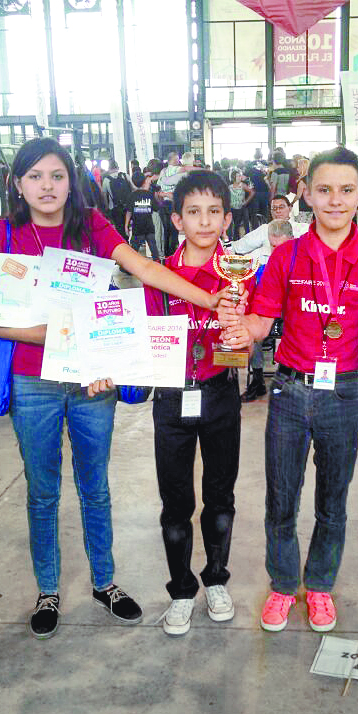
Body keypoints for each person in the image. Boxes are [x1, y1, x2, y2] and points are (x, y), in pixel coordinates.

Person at [0, 138, 232, 640]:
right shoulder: (5, 235)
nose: (47, 186)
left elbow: (146, 269)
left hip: (94, 380)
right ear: (18, 184)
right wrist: (60, 334)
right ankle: (48, 590)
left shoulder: (91, 225)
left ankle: (105, 583)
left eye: (56, 175)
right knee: (42, 492)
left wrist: (210, 299)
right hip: (34, 381)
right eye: (35, 176)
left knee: (95, 488)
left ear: (71, 181)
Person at [219, 147, 358, 634]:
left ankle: (318, 586)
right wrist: (242, 329)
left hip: (344, 396)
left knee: (333, 502)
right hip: (290, 392)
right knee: (281, 500)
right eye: (325, 190)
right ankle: (282, 585)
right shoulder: (287, 255)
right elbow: (262, 319)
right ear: (307, 195)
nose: (335, 200)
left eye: (346, 190)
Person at [143, 170, 252, 637]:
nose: (204, 222)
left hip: (220, 392)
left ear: (227, 219)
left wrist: (241, 334)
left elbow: (250, 337)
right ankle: (182, 590)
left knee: (220, 495)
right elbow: (145, 338)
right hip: (172, 398)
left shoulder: (240, 275)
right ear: (177, 220)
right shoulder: (158, 276)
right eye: (193, 212)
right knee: (175, 501)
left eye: (213, 212)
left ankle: (217, 580)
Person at [241, 218, 295, 403]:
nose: (276, 250)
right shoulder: (259, 260)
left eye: (281, 246)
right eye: (273, 245)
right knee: (252, 330)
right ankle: (257, 380)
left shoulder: (303, 260)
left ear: (292, 240)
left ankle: (290, 379)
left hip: (292, 314)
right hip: (267, 311)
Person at [230, 194, 308, 268]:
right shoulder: (265, 229)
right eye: (274, 208)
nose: (278, 211)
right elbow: (237, 246)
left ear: (290, 208)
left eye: (281, 207)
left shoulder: (303, 228)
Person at [126, 170, 160, 260]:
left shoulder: (132, 196)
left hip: (137, 228)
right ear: (144, 181)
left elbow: (129, 212)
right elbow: (156, 208)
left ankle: (129, 266)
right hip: (149, 227)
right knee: (154, 252)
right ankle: (158, 266)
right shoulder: (149, 194)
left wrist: (126, 226)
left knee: (133, 252)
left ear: (133, 182)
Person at [102, 160, 134, 237]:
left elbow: (104, 196)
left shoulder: (106, 180)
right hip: (127, 207)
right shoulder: (125, 176)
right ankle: (128, 239)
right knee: (127, 226)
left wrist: (107, 209)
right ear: (117, 167)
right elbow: (133, 188)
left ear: (108, 169)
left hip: (115, 208)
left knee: (119, 229)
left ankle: (123, 241)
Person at [228, 168, 253, 240]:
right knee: (235, 225)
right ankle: (235, 238)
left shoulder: (242, 185)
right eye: (238, 176)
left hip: (241, 208)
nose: (240, 177)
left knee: (243, 224)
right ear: (233, 177)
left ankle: (246, 238)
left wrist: (246, 202)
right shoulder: (230, 187)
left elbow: (252, 192)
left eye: (240, 176)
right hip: (233, 208)